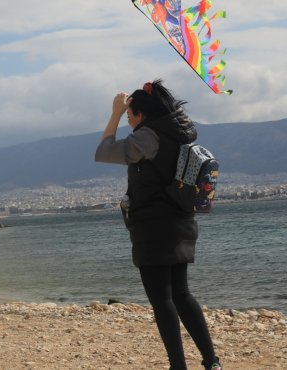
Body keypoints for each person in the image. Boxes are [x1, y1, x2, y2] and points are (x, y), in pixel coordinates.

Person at [94, 79, 222, 370]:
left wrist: (114, 113)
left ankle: (178, 367)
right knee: (181, 293)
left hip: (154, 227)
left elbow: (104, 152)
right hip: (182, 222)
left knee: (161, 299)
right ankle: (212, 361)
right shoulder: (178, 133)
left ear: (141, 114)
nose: (127, 120)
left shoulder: (148, 137)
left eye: (129, 115)